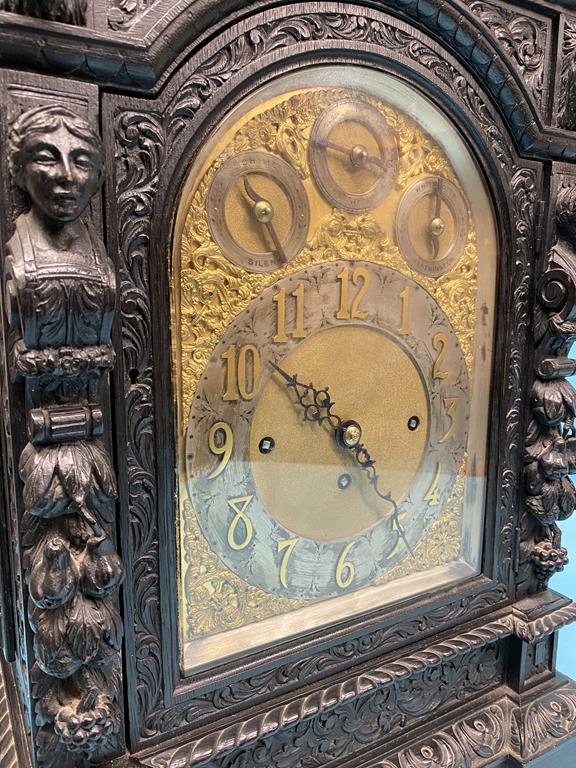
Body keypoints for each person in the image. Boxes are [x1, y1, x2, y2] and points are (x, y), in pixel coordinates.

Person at [5, 105, 115, 349]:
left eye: (82, 162)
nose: (66, 175)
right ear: (18, 171)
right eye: (46, 158)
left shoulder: (98, 256)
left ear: (99, 179)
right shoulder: (22, 258)